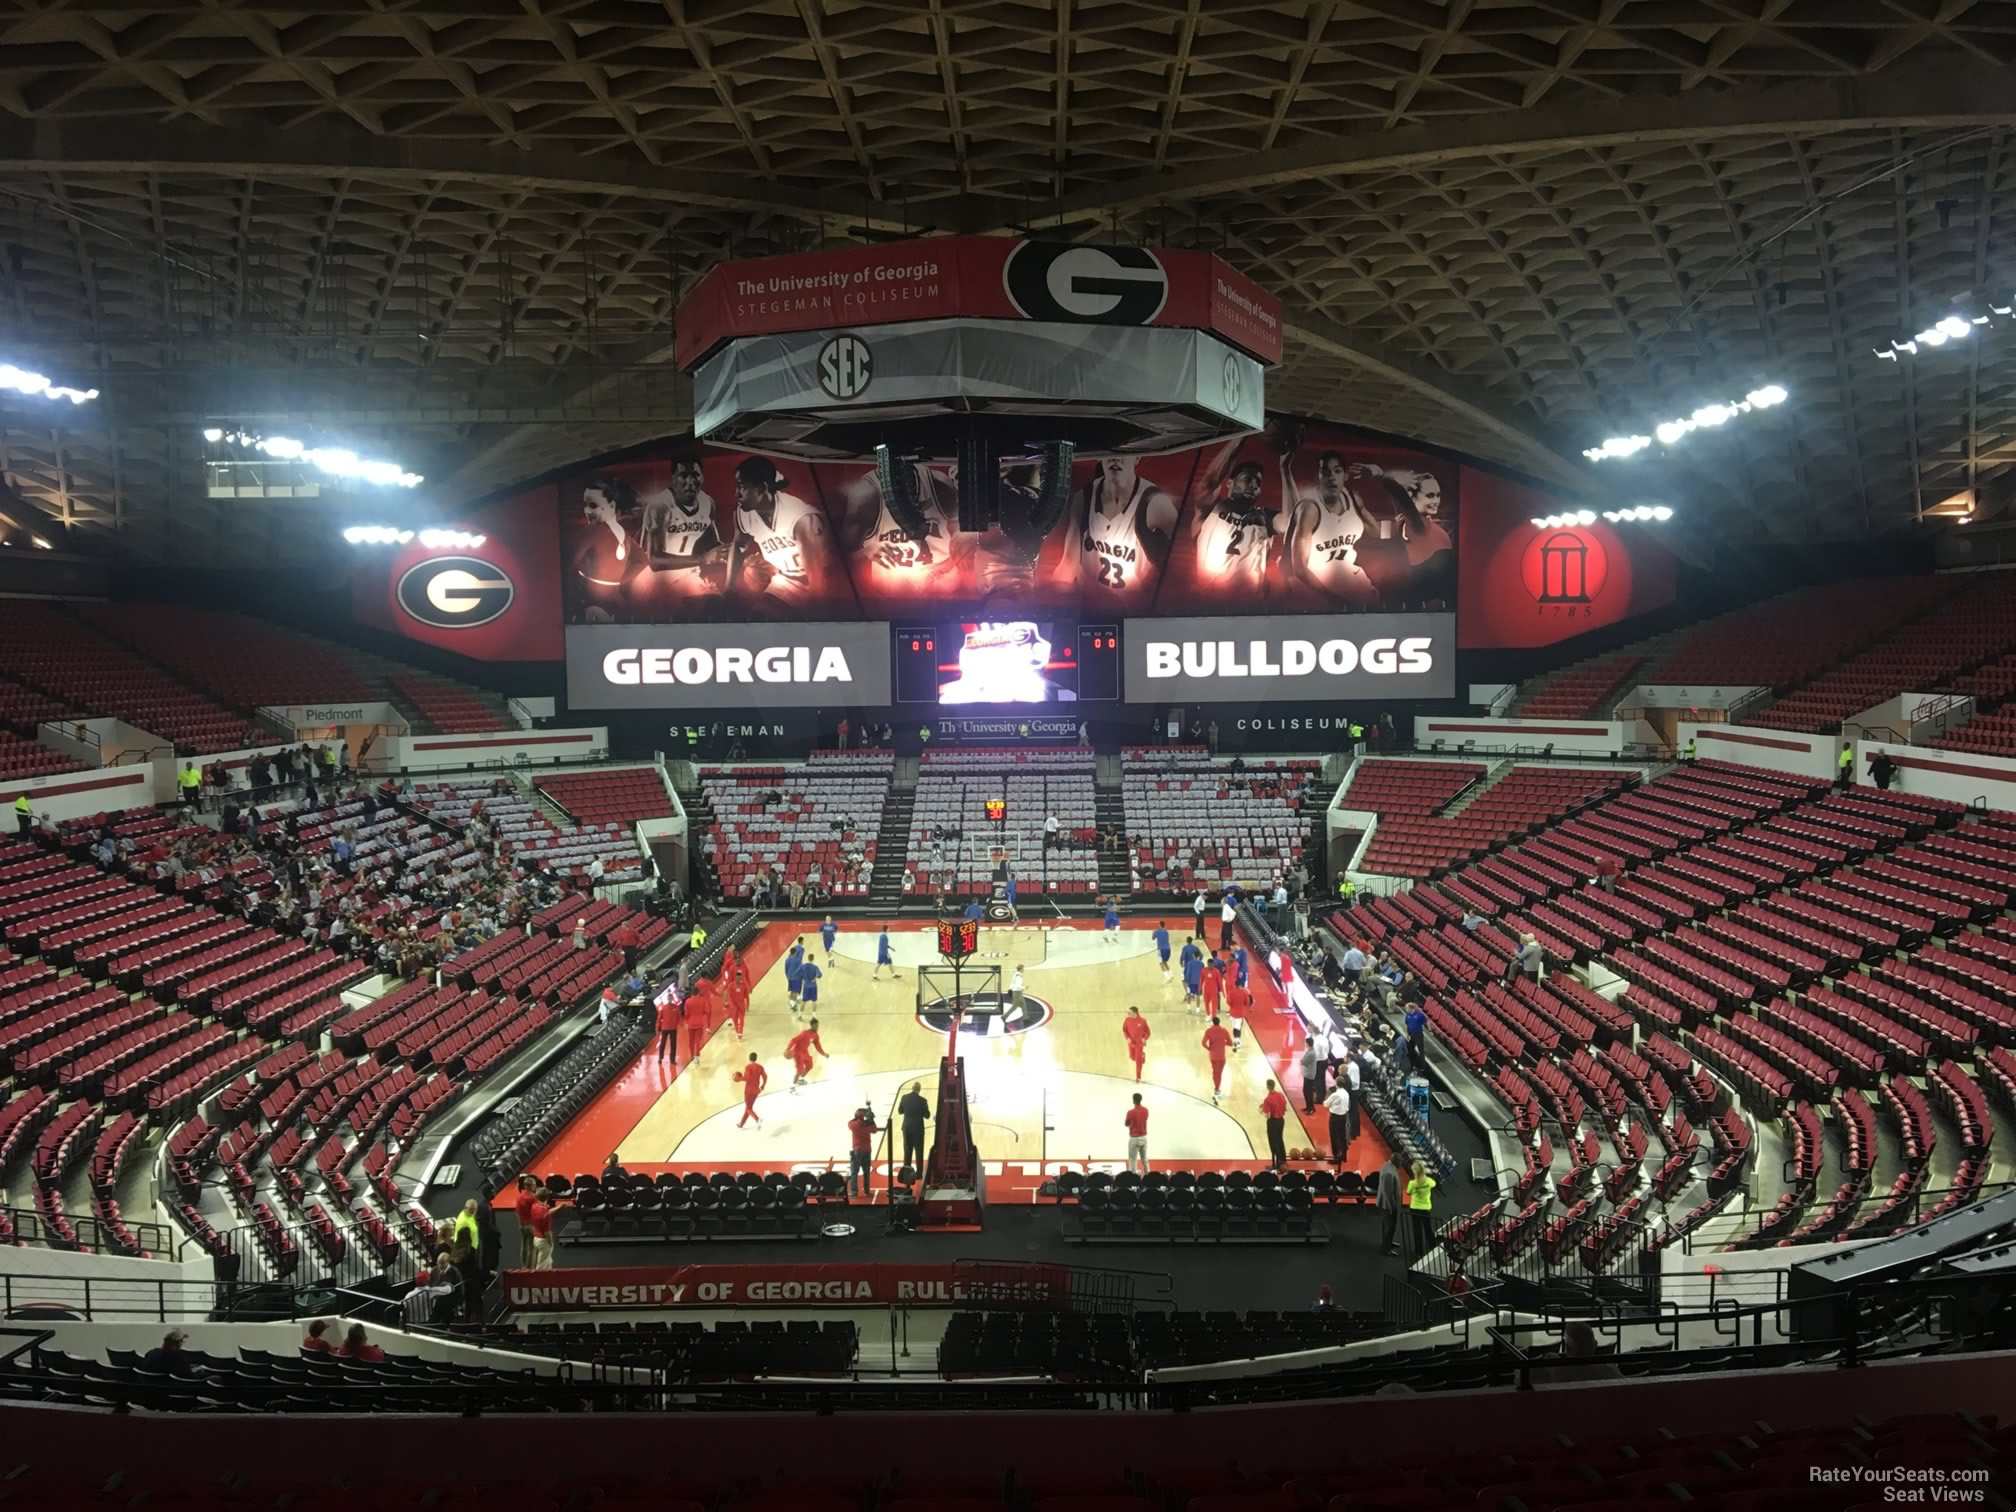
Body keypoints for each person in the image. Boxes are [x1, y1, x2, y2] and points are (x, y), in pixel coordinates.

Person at [1531, 1321, 1624, 1386]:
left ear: (1567, 1347)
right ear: (1594, 1345)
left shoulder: (1553, 1369)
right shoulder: (1609, 1371)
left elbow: (1520, 1379)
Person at [896, 1081, 930, 1175]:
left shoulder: (904, 1098)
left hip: (907, 1128)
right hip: (918, 1129)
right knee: (919, 1152)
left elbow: (900, 1111)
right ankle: (919, 1173)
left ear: (912, 1088)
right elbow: (927, 1115)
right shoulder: (923, 1101)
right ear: (919, 1090)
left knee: (907, 1151)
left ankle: (906, 1172)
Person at [1376, 1151, 1406, 1256]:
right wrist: (1391, 1207)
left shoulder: (1388, 1166)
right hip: (1388, 1205)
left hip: (1390, 1205)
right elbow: (1387, 1192)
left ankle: (1388, 1242)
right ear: (1396, 1161)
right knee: (1388, 1226)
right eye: (1401, 1162)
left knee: (1391, 1226)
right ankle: (1386, 1248)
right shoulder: (1389, 1172)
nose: (1402, 1164)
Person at [1404, 1161, 1437, 1256]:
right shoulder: (1429, 1181)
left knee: (1417, 1230)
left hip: (1415, 1208)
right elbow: (1434, 1184)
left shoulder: (1413, 1183)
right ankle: (1433, 1246)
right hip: (1426, 1208)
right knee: (1428, 1228)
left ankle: (1419, 1252)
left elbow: (1408, 1192)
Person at [786, 1017, 827, 1091]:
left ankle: (800, 1080)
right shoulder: (804, 1033)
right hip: (797, 1052)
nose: (817, 1027)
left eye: (817, 1026)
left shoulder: (815, 1035)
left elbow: (818, 1046)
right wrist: (788, 1049)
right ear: (811, 1026)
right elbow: (793, 1040)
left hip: (804, 1052)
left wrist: (824, 1054)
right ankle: (792, 1087)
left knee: (809, 1065)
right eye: (815, 1026)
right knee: (799, 1069)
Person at [846, 1106, 877, 1199]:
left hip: (857, 1151)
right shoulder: (868, 1125)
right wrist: (871, 1120)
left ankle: (854, 1192)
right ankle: (867, 1191)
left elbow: (850, 1122)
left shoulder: (853, 1125)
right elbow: (875, 1130)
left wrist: (860, 1118)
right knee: (866, 1172)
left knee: (854, 1172)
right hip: (867, 1150)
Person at [1201, 1016, 1232, 1102]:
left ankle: (1217, 1089)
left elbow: (1203, 1043)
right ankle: (1217, 1091)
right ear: (1219, 1022)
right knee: (1218, 1074)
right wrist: (1223, 1043)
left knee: (1215, 1073)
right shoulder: (1223, 1031)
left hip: (1212, 1056)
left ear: (1212, 1022)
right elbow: (1230, 1043)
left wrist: (1208, 1048)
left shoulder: (1209, 1031)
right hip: (1221, 1056)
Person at [1260, 1077, 1289, 1169]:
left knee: (1273, 1142)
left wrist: (1261, 1112)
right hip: (1281, 1120)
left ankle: (1276, 1164)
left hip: (1272, 1122)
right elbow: (1285, 1107)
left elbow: (1268, 1116)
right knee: (1280, 1139)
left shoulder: (1267, 1100)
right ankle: (1283, 1159)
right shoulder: (1281, 1095)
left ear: (1267, 1086)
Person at [734, 1052, 767, 1126]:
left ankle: (757, 1119)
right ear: (756, 1058)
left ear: (749, 1058)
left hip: (748, 1091)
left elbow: (747, 1078)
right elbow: (765, 1076)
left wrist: (738, 1078)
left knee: (749, 1108)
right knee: (749, 1108)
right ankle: (741, 1124)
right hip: (756, 1091)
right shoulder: (760, 1067)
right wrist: (763, 1085)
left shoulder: (748, 1067)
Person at [1325, 1080, 1353, 1165]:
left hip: (1335, 1117)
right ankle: (1344, 1155)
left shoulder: (1335, 1094)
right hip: (1343, 1116)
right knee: (1342, 1136)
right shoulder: (1346, 1093)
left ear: (1336, 1084)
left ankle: (1337, 1156)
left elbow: (1326, 1104)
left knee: (1335, 1136)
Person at [513, 1174, 539, 1267]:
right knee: (532, 1248)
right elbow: (537, 1212)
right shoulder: (533, 1198)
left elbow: (517, 1211)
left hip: (522, 1225)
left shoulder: (519, 1197)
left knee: (524, 1245)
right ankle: (531, 1269)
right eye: (533, 1185)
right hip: (531, 1226)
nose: (535, 1186)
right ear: (528, 1186)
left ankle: (524, 1266)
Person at [527, 1187, 556, 1269]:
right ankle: (538, 1280)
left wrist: (560, 1207)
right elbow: (547, 1232)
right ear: (547, 1197)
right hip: (544, 1241)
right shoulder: (546, 1215)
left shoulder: (534, 1207)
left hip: (535, 1238)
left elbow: (547, 1211)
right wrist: (551, 1243)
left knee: (547, 1261)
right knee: (541, 1265)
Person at [1123, 1092, 1150, 1177]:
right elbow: (1145, 1119)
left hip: (1134, 1138)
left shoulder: (1130, 1112)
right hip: (1144, 1138)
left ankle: (1133, 1179)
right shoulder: (1145, 1110)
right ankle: (1148, 1177)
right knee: (1145, 1160)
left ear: (1133, 1100)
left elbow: (1126, 1124)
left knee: (1133, 1160)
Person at [1122, 1004, 1151, 1081]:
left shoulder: (1142, 1021)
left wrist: (1145, 1038)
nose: (1128, 1014)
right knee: (1132, 1057)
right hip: (1131, 1043)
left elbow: (1148, 1032)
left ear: (1135, 1013)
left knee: (1138, 1062)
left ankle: (1138, 1077)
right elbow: (1124, 1030)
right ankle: (1142, 1055)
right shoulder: (1127, 1020)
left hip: (1139, 1044)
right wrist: (1127, 1038)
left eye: (1129, 1012)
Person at [1299, 1036, 1325, 1114]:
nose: (1304, 1043)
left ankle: (1311, 1108)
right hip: (1307, 1074)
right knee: (1305, 1091)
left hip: (1309, 1075)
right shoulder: (1309, 1051)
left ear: (1308, 1043)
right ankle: (1308, 1107)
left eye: (1305, 1042)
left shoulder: (1311, 1053)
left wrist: (1302, 1061)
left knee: (1308, 1092)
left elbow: (1303, 1062)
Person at [655, 988, 681, 1066]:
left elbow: (678, 1017)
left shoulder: (675, 1008)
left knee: (672, 1044)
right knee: (663, 1044)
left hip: (671, 1028)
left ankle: (671, 1059)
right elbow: (659, 1019)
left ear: (672, 999)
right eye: (669, 998)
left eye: (671, 998)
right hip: (666, 1028)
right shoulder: (666, 1008)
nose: (670, 999)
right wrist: (657, 1028)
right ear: (668, 999)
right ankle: (661, 1058)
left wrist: (676, 1024)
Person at [1225, 977, 1251, 1051]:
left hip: (1233, 1012)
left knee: (1234, 1027)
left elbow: (1228, 1002)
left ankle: (1237, 1041)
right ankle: (1238, 1041)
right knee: (1238, 1027)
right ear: (1240, 985)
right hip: (1240, 1013)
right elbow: (1247, 1002)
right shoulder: (1244, 992)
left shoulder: (1230, 992)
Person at [1181, 937, 1204, 1013]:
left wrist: (1181, 962)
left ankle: (1188, 1007)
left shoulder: (1185, 948)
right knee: (1198, 994)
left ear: (1187, 941)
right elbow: (1201, 955)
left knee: (1184, 982)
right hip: (1198, 981)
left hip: (1188, 967)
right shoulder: (1201, 963)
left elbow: (1183, 957)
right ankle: (1197, 1009)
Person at [1404, 1002, 1428, 1071]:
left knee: (1421, 1050)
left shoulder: (1419, 1015)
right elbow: (1407, 1024)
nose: (1406, 1009)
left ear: (1411, 1008)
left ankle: (1423, 1067)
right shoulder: (1407, 1015)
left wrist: (1430, 1030)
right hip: (1411, 1034)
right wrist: (1407, 1033)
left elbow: (1426, 1020)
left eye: (1407, 1008)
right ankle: (1412, 1064)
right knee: (1410, 1049)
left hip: (1418, 1034)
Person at [784, 936, 805, 1013]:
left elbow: (786, 969)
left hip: (790, 977)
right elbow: (800, 968)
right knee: (795, 991)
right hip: (796, 977)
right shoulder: (797, 960)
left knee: (792, 991)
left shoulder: (787, 959)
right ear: (795, 953)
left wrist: (787, 976)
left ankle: (792, 1003)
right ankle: (793, 1004)